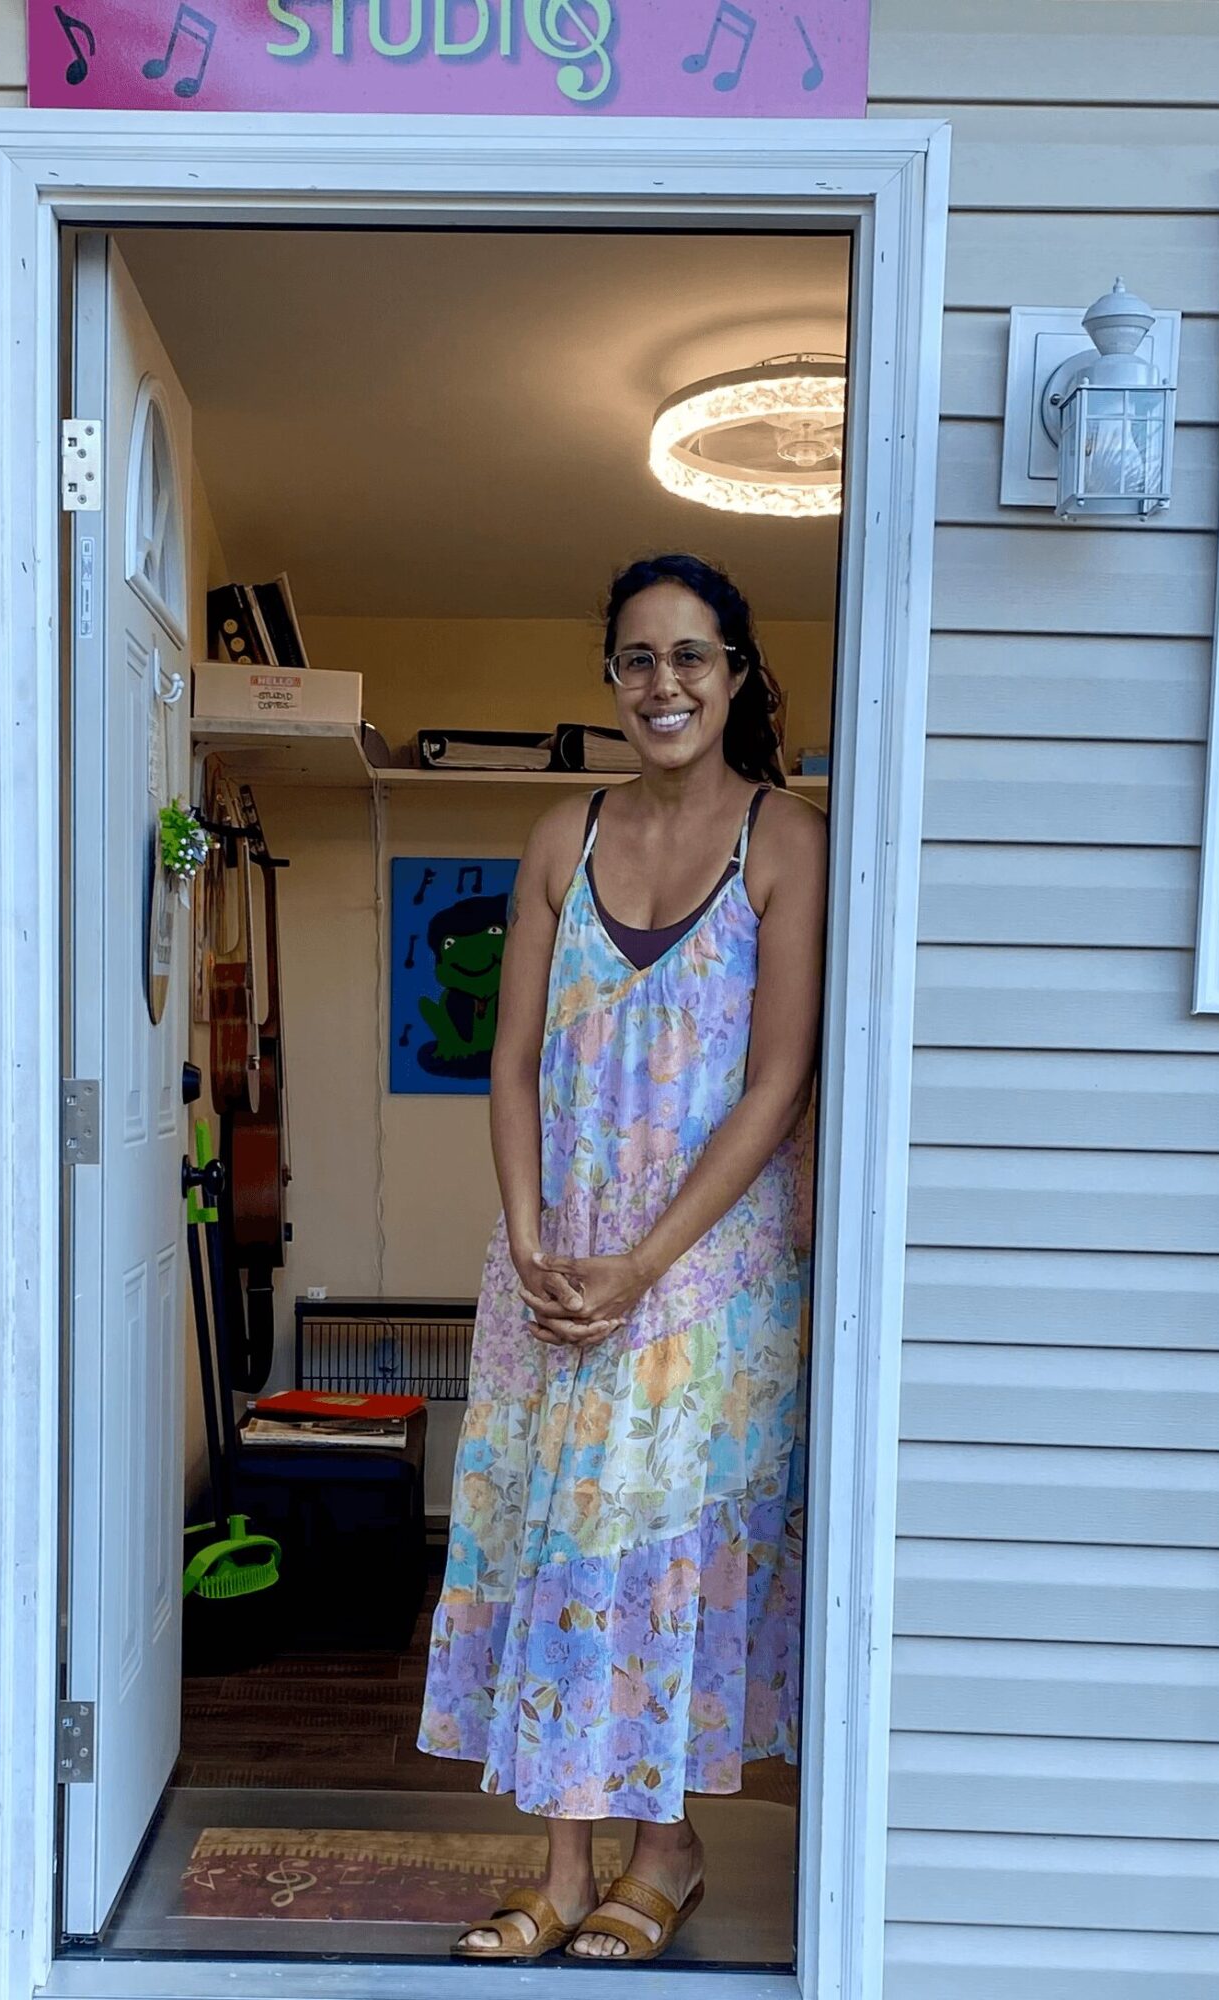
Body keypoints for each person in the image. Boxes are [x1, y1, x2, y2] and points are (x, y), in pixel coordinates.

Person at [418, 552, 826, 1963]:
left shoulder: (784, 841)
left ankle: (665, 1851)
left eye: (691, 657)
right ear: (611, 677)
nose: (664, 684)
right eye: (638, 659)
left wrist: (644, 1263)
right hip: (559, 1267)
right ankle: (560, 1865)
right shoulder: (560, 836)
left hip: (705, 1277)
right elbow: (511, 1062)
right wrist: (531, 1238)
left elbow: (778, 1083)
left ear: (736, 675)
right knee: (559, 1547)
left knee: (663, 1560)